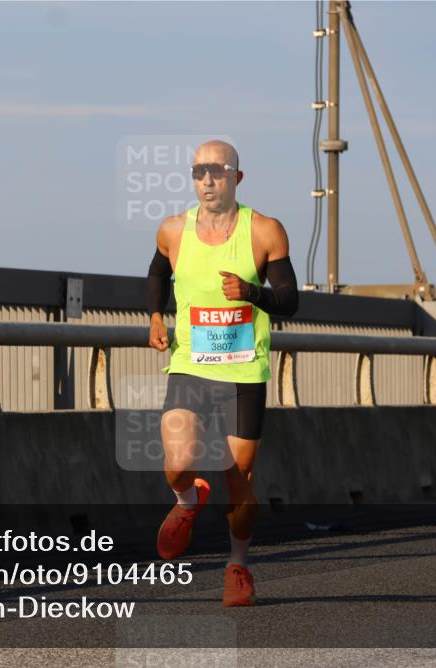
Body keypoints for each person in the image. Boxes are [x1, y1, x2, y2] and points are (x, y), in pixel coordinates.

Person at [146, 140, 299, 607]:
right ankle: (188, 498)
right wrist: (155, 316)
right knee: (177, 460)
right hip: (190, 365)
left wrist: (251, 292)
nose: (207, 180)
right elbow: (157, 275)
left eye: (217, 170)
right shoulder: (173, 230)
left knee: (240, 479)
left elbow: (290, 301)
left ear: (237, 177)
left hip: (243, 372)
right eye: (199, 171)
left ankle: (237, 565)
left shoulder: (266, 231)